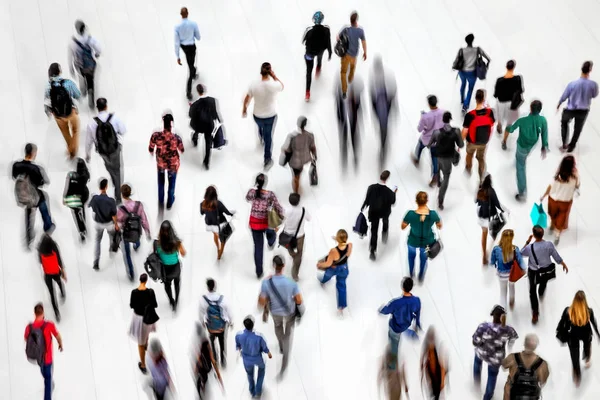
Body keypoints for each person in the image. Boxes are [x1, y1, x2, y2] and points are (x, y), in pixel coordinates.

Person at [259, 256, 304, 378]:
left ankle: (280, 345)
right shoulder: (291, 282)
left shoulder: (266, 283)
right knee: (288, 335)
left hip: (275, 312)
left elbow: (261, 302)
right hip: (289, 312)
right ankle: (284, 361)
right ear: (283, 266)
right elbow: (299, 300)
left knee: (278, 327)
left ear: (273, 266)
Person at [521, 226, 568, 324]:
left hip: (534, 272)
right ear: (542, 235)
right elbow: (556, 256)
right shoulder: (549, 245)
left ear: (533, 235)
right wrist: (563, 263)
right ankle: (541, 293)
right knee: (543, 282)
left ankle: (535, 313)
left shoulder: (530, 247)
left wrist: (527, 242)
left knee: (532, 292)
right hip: (546, 271)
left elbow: (521, 253)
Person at [242, 62, 284, 170]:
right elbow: (281, 86)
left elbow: (247, 98)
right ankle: (267, 159)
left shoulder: (254, 84)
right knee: (268, 137)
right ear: (270, 72)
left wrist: (244, 109)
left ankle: (261, 136)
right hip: (270, 115)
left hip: (257, 115)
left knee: (261, 126)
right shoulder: (273, 85)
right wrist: (274, 76)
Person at [12, 143, 55, 248]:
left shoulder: (16, 165)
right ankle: (48, 226)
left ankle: (29, 237)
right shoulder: (35, 168)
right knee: (43, 199)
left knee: (29, 210)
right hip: (33, 196)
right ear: (33, 153)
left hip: (22, 196)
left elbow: (14, 177)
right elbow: (43, 183)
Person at [472, 305, 518, 400]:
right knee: (492, 376)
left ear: (492, 315)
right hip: (496, 358)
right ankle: (487, 397)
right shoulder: (508, 330)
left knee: (477, 361)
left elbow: (475, 341)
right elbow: (514, 336)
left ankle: (476, 381)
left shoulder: (484, 327)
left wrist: (480, 344)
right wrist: (509, 344)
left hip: (482, 353)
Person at [85, 98, 126, 203]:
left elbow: (88, 141)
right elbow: (123, 131)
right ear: (106, 106)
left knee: (109, 166)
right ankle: (118, 196)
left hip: (102, 151)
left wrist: (87, 154)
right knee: (117, 170)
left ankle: (113, 178)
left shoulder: (92, 123)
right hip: (115, 149)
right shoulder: (114, 118)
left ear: (97, 108)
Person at [507, 100, 548, 202]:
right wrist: (544, 146)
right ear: (540, 110)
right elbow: (544, 134)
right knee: (523, 156)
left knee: (520, 167)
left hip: (522, 145)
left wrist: (508, 126)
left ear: (530, 108)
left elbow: (511, 129)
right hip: (531, 145)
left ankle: (522, 192)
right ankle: (521, 158)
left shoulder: (522, 120)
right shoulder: (543, 120)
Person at [556, 291, 600, 386]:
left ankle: (577, 373)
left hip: (572, 335)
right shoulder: (589, 311)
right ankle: (587, 358)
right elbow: (594, 324)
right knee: (587, 346)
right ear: (585, 301)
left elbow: (561, 323)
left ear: (574, 300)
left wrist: (559, 332)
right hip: (586, 334)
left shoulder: (568, 311)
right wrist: (598, 334)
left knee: (574, 356)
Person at [246, 173, 284, 278]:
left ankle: (259, 271)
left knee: (258, 248)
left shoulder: (252, 192)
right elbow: (277, 206)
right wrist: (281, 216)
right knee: (271, 233)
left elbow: (247, 198)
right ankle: (271, 242)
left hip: (254, 223)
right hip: (267, 222)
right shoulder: (270, 195)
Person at [24, 303, 63, 400]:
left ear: (35, 314)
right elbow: (58, 336)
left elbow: (26, 339)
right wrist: (60, 344)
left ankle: (49, 382)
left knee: (43, 371)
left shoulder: (29, 327)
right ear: (43, 313)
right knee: (48, 378)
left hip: (38, 357)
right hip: (48, 358)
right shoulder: (49, 325)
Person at [379, 277, 421, 368]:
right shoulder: (417, 301)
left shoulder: (396, 303)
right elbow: (417, 313)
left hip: (395, 327)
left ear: (402, 287)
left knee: (394, 343)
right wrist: (417, 324)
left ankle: (392, 364)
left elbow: (386, 310)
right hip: (406, 324)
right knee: (401, 334)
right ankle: (408, 333)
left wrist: (381, 309)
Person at [557, 61, 599, 152]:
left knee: (564, 122)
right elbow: (594, 95)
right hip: (583, 110)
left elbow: (565, 95)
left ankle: (564, 143)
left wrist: (559, 103)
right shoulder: (593, 84)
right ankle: (572, 146)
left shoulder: (572, 84)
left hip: (571, 109)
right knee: (578, 128)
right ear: (590, 70)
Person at [401, 191, 442, 282]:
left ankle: (411, 274)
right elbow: (440, 226)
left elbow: (403, 227)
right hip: (427, 243)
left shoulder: (410, 214)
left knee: (411, 256)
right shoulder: (433, 214)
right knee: (424, 259)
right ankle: (421, 276)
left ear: (416, 201)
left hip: (412, 241)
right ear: (427, 201)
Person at [44, 63, 81, 159]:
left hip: (58, 115)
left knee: (65, 133)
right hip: (71, 112)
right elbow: (77, 94)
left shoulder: (48, 86)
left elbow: (47, 102)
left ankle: (71, 152)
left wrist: (49, 114)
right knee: (75, 130)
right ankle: (72, 150)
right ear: (59, 72)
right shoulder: (68, 83)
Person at [540, 155, 580, 244]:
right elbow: (577, 185)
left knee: (552, 214)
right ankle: (557, 235)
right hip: (565, 201)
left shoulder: (558, 175)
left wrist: (543, 196)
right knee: (561, 217)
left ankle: (551, 226)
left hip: (553, 199)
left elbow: (550, 188)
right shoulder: (575, 175)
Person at [149, 112, 185, 210]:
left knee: (161, 182)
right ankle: (169, 202)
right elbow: (182, 149)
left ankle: (161, 200)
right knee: (172, 184)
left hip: (160, 163)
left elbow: (151, 148)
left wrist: (154, 152)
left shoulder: (156, 135)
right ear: (171, 123)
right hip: (173, 164)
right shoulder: (176, 137)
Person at [429, 112, 464, 210]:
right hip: (448, 157)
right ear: (450, 120)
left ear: (442, 120)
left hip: (438, 155)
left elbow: (429, 144)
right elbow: (461, 145)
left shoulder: (437, 132)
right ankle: (440, 199)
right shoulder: (456, 131)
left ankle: (438, 180)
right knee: (447, 176)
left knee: (439, 166)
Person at [117, 184, 152, 280]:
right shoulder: (139, 205)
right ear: (130, 193)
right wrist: (147, 232)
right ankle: (137, 245)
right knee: (136, 238)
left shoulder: (121, 209)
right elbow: (144, 219)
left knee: (127, 254)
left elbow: (118, 223)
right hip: (137, 232)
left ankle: (131, 274)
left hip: (126, 234)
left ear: (122, 195)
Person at [361, 170, 397, 260]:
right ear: (387, 178)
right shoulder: (389, 192)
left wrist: (363, 207)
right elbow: (393, 202)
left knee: (374, 231)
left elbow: (367, 200)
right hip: (384, 212)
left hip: (374, 212)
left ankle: (372, 250)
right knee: (385, 221)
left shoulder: (371, 188)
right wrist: (394, 193)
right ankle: (384, 234)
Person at [501, 334, 549, 400]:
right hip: (531, 397)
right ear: (535, 346)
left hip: (512, 395)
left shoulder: (512, 357)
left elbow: (503, 365)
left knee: (508, 385)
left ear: (524, 343)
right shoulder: (542, 364)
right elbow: (543, 382)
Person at [235, 316, 272, 398]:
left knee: (249, 374)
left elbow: (238, 346)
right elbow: (264, 347)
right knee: (261, 370)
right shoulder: (259, 336)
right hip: (257, 358)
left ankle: (252, 390)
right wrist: (268, 353)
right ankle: (258, 390)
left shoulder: (239, 335)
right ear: (253, 325)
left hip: (246, 360)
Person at [462, 89, 495, 182]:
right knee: (481, 158)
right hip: (484, 141)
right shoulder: (490, 113)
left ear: (475, 99)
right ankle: (481, 178)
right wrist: (488, 108)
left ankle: (468, 168)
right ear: (484, 99)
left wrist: (460, 142)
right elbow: (492, 124)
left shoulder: (470, 115)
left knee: (469, 154)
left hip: (472, 142)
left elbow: (464, 131)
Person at [317, 229, 352, 315]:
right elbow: (346, 252)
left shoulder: (333, 251)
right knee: (342, 286)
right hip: (344, 268)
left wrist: (320, 265)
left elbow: (328, 264)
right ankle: (341, 307)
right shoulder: (350, 246)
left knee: (327, 275)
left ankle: (323, 281)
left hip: (334, 268)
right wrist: (337, 239)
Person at [200, 278, 233, 368]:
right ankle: (223, 360)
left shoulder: (203, 299)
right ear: (215, 286)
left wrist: (202, 322)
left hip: (210, 325)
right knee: (222, 342)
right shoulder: (222, 298)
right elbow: (228, 310)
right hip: (221, 326)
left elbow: (201, 313)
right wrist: (231, 321)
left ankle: (215, 359)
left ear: (207, 287)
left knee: (212, 342)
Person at [68, 20, 101, 109]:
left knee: (82, 78)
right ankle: (91, 97)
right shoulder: (90, 39)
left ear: (77, 30)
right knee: (90, 80)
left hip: (80, 67)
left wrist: (71, 68)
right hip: (90, 65)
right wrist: (97, 54)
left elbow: (70, 55)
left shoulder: (73, 42)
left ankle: (83, 89)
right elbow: (98, 48)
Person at [412, 95, 445, 187]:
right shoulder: (442, 112)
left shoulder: (425, 116)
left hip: (427, 139)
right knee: (434, 157)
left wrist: (422, 117)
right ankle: (435, 175)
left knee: (420, 146)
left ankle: (417, 159)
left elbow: (419, 129)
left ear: (429, 104)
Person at [370, 57, 397, 168]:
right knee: (383, 125)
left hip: (383, 104)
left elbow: (372, 94)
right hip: (383, 104)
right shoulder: (380, 76)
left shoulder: (377, 77)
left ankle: (383, 147)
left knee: (383, 126)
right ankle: (383, 144)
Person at [129, 273, 157, 374]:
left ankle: (143, 365)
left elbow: (132, 305)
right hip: (148, 317)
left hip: (138, 319)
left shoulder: (134, 292)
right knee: (146, 333)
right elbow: (155, 305)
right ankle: (146, 344)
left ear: (140, 281)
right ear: (146, 281)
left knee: (139, 343)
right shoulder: (150, 292)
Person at [189, 84, 222, 169]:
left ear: (198, 92)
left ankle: (195, 139)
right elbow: (215, 114)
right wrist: (219, 120)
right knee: (208, 143)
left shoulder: (195, 104)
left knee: (196, 130)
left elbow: (190, 115)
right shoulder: (212, 101)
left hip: (199, 125)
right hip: (209, 125)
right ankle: (206, 162)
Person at [490, 229, 525, 310]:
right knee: (512, 286)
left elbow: (492, 262)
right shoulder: (515, 249)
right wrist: (524, 269)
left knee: (503, 292)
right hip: (512, 274)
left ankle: (503, 310)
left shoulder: (496, 249)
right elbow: (521, 262)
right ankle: (512, 301)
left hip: (502, 275)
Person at [280, 116, 317, 193]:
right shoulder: (310, 135)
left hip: (295, 162)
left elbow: (286, 149)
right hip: (305, 159)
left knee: (296, 176)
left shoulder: (292, 137)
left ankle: (296, 192)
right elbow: (312, 147)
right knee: (299, 171)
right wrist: (314, 156)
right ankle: (297, 181)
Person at [88, 178, 119, 270]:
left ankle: (96, 262)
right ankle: (111, 250)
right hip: (109, 223)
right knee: (111, 236)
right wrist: (116, 224)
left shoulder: (95, 199)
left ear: (99, 187)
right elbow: (114, 215)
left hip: (98, 223)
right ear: (106, 187)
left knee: (97, 241)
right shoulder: (111, 201)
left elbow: (89, 205)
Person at [156, 221, 186, 311]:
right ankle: (176, 301)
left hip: (165, 269)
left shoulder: (158, 243)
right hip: (176, 267)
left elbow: (156, 255)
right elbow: (183, 253)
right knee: (177, 284)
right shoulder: (177, 242)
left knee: (167, 285)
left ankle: (171, 301)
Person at [456, 34, 491, 113]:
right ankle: (465, 106)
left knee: (463, 84)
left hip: (462, 72)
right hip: (472, 73)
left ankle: (462, 99)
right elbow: (488, 58)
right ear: (472, 40)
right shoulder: (477, 49)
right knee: (470, 89)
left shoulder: (461, 50)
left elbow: (457, 61)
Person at [302, 11, 332, 101]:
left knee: (308, 72)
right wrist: (330, 52)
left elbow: (303, 41)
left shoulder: (309, 30)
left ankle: (307, 93)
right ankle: (318, 68)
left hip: (310, 53)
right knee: (319, 58)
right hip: (320, 50)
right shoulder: (327, 29)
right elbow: (328, 42)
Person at [476, 175, 504, 265]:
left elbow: (476, 201)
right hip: (490, 217)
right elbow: (497, 203)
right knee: (495, 235)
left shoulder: (480, 190)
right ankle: (495, 253)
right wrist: (504, 210)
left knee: (484, 236)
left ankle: (484, 255)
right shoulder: (491, 191)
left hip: (482, 217)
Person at [494, 60, 524, 145]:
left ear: (506, 67)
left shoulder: (499, 80)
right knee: (509, 122)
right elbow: (521, 90)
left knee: (500, 116)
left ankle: (499, 125)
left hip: (501, 102)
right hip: (512, 104)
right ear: (513, 67)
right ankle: (504, 141)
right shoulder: (518, 79)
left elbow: (496, 95)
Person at [200, 186, 234, 260]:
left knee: (215, 235)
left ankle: (217, 247)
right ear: (215, 194)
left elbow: (202, 213)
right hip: (219, 224)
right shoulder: (218, 203)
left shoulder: (202, 203)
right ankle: (220, 253)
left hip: (209, 224)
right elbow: (226, 211)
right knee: (223, 239)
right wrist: (232, 214)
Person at [282, 193, 311, 281]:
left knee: (289, 247)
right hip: (299, 236)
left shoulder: (286, 210)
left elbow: (282, 219)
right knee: (299, 253)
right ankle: (295, 273)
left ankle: (292, 254)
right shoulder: (303, 210)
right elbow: (309, 218)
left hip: (287, 235)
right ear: (299, 201)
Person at [37, 234, 66, 322]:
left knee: (52, 294)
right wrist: (63, 270)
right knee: (59, 282)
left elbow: (40, 261)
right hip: (56, 272)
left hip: (47, 274)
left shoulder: (40, 249)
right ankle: (62, 293)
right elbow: (59, 259)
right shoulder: (54, 247)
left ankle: (56, 313)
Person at [338, 11, 367, 98]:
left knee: (343, 72)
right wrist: (365, 52)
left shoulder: (346, 29)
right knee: (353, 67)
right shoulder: (360, 31)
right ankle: (350, 78)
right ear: (356, 20)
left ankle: (344, 91)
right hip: (354, 55)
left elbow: (338, 37)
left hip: (346, 55)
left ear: (350, 20)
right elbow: (363, 42)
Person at [174, 7, 200, 100]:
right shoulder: (193, 24)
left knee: (191, 64)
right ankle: (188, 92)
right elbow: (198, 37)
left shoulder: (177, 27)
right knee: (191, 66)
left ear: (181, 15)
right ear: (187, 13)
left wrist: (178, 56)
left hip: (184, 48)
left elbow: (177, 43)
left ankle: (193, 73)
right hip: (192, 47)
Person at [63, 157, 90, 242]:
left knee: (76, 213)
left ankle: (82, 231)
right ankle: (84, 222)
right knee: (82, 210)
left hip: (73, 198)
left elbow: (66, 187)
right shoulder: (86, 174)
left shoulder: (71, 175)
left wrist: (64, 197)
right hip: (84, 195)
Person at [194, 322, 223, 397]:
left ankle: (201, 390)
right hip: (206, 366)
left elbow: (197, 356)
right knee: (204, 378)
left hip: (200, 366)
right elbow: (212, 358)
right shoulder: (206, 342)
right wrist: (218, 373)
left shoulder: (196, 342)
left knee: (201, 378)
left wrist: (196, 366)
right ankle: (202, 387)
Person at [336, 80, 360, 169]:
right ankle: (344, 160)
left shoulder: (354, 97)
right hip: (344, 121)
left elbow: (358, 106)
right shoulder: (339, 97)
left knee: (354, 139)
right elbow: (338, 109)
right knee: (344, 139)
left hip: (352, 119)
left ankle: (355, 156)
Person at [421, 327, 448, 400]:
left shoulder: (438, 351)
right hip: (432, 375)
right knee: (433, 391)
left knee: (437, 393)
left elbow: (442, 367)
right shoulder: (427, 348)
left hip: (438, 374)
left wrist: (442, 381)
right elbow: (423, 358)